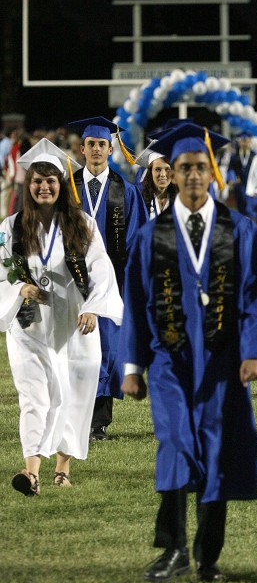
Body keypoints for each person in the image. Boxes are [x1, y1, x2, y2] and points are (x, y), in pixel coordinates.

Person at [118, 122, 257, 583]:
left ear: (213, 172)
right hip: (170, 362)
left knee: (217, 451)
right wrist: (132, 366)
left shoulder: (240, 230)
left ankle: (207, 557)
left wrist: (254, 353)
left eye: (199, 167)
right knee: (174, 444)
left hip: (224, 363)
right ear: (171, 171)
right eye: (182, 167)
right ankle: (171, 550)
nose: (191, 175)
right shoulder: (153, 235)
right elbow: (137, 300)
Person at [0, 139, 123, 495]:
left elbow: (101, 267)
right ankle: (31, 472)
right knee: (34, 396)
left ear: (61, 184)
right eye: (37, 180)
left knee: (74, 393)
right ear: (28, 185)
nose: (44, 186)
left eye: (51, 180)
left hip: (73, 322)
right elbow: (1, 270)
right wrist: (18, 289)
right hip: (29, 325)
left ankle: (63, 468)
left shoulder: (81, 223)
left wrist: (93, 306)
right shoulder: (11, 227)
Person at [68, 117, 147, 440]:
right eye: (91, 144)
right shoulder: (66, 188)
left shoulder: (125, 191)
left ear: (111, 149)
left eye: (102, 144)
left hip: (113, 281)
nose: (97, 149)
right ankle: (74, 415)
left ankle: (98, 422)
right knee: (76, 347)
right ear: (82, 149)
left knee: (107, 349)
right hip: (71, 281)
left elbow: (138, 237)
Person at [138, 149, 177, 219]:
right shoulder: (138, 199)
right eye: (158, 169)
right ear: (150, 173)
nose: (163, 174)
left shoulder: (181, 198)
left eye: (167, 169)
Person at [227, 132, 256, 217]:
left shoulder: (254, 155)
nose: (244, 143)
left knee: (250, 209)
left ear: (250, 142)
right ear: (239, 142)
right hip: (239, 185)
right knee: (240, 207)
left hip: (250, 184)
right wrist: (233, 178)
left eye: (246, 141)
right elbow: (230, 169)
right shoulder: (234, 156)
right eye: (242, 141)